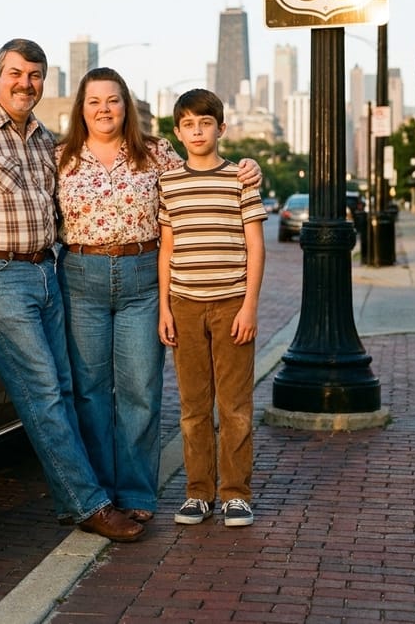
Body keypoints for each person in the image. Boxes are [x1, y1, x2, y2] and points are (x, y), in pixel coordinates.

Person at [0, 38, 144, 542]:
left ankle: (90, 491)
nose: (26, 83)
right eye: (16, 73)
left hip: (46, 269)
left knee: (64, 388)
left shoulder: (43, 139)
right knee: (42, 391)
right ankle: (87, 505)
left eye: (35, 75)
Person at [56, 68, 262, 524]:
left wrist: (250, 166)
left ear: (126, 105)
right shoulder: (61, 158)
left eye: (113, 100)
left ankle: (137, 495)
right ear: (81, 108)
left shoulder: (156, 153)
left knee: (141, 390)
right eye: (94, 102)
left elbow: (204, 171)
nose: (104, 109)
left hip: (141, 276)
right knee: (90, 393)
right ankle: (97, 496)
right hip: (82, 275)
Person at [157, 88, 267, 528]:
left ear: (221, 128)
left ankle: (236, 494)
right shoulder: (169, 184)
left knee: (235, 405)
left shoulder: (240, 179)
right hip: (184, 305)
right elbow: (167, 249)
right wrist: (164, 308)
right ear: (178, 133)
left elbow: (256, 247)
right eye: (188, 124)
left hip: (231, 305)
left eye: (206, 123)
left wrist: (250, 307)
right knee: (193, 406)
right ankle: (198, 492)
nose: (197, 131)